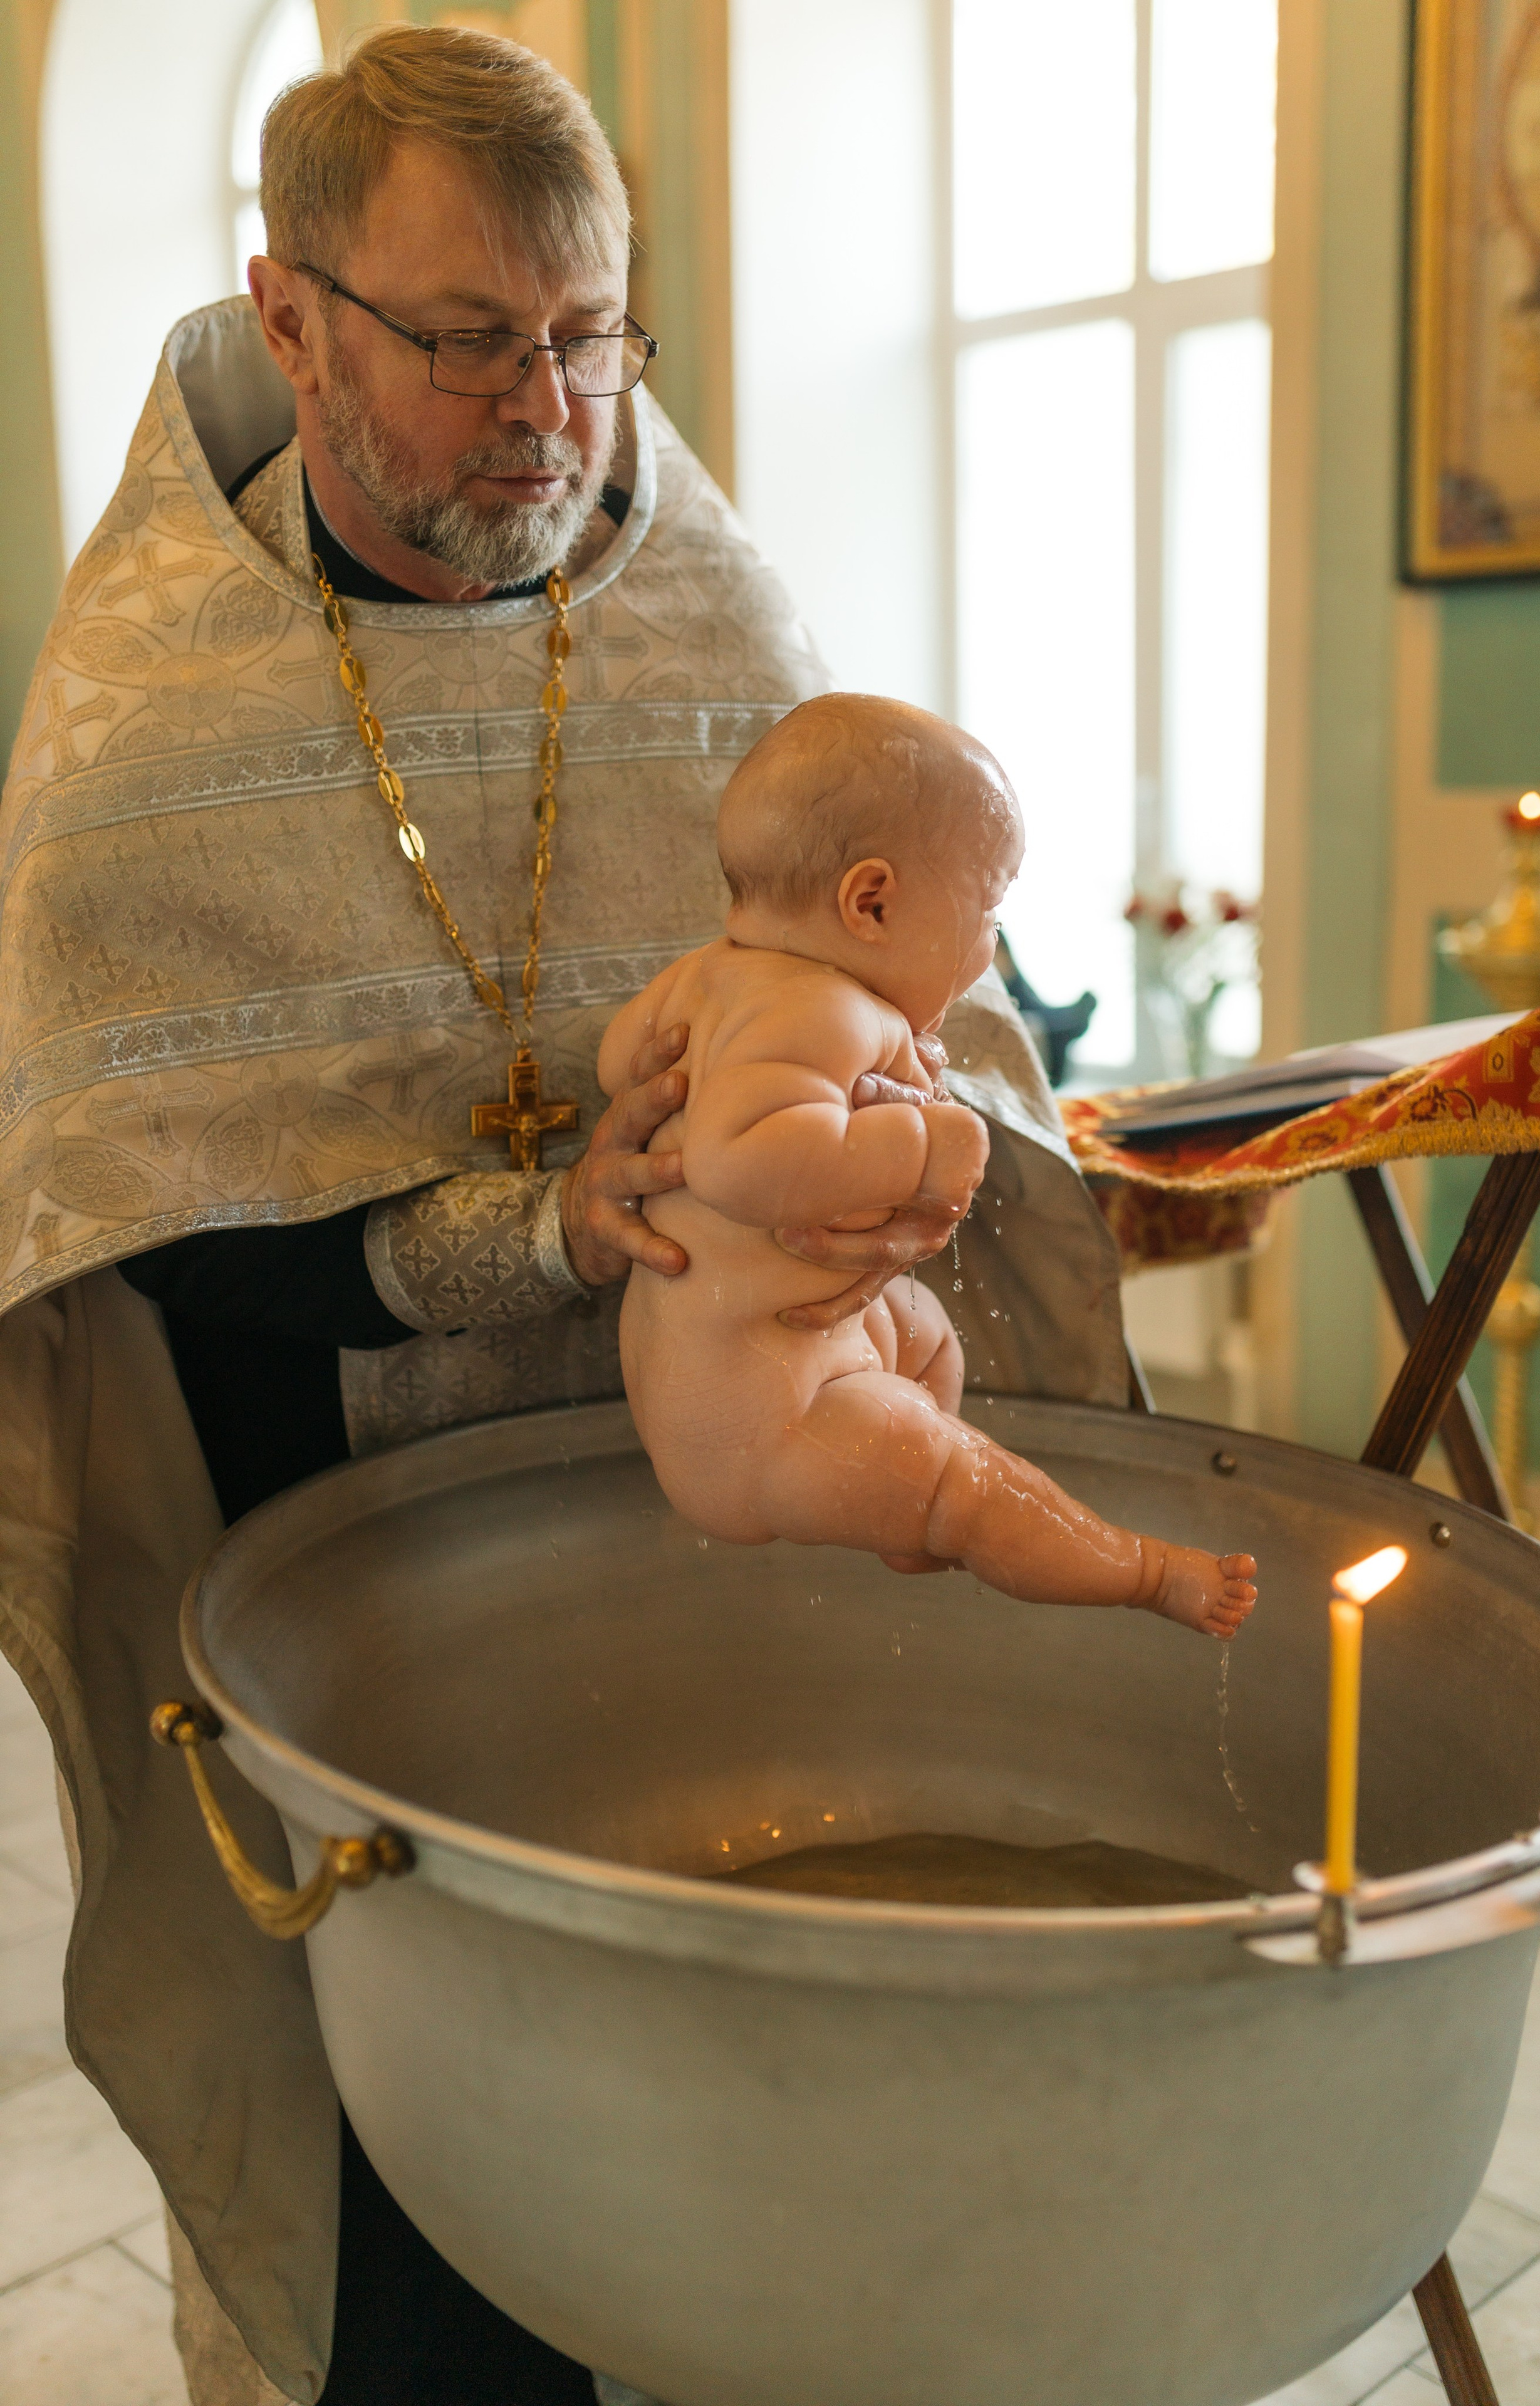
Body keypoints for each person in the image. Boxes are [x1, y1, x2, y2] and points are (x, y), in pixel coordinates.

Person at [0, 25, 1129, 2406]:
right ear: (289, 319)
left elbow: (922, 990)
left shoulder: (718, 626)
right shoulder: (144, 727)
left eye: (592, 337)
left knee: (769, 2158)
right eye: (466, 341)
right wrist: (514, 1238)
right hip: (356, 1560)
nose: (550, 408)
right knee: (437, 2214)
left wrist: (1015, 1173)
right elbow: (130, 1215)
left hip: (719, 1543)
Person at [608, 696, 1256, 1632]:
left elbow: (621, 1066)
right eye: (989, 910)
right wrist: (935, 1139)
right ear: (871, 903)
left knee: (927, 1337)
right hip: (773, 1427)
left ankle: (908, 1513)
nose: (989, 947)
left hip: (729, 1379)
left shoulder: (704, 978)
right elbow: (730, 1160)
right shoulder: (827, 1012)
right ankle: (1147, 1573)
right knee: (979, 1483)